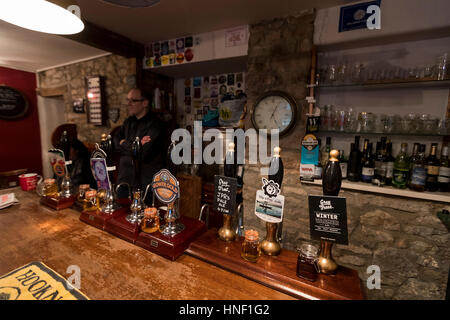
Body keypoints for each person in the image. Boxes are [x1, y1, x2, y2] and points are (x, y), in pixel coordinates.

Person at [114, 88, 165, 201]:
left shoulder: (155, 124)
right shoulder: (128, 122)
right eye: (128, 100)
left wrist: (124, 143)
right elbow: (115, 143)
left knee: (143, 217)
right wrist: (133, 146)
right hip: (124, 180)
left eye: (133, 100)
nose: (129, 104)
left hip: (144, 184)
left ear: (145, 103)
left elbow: (143, 152)